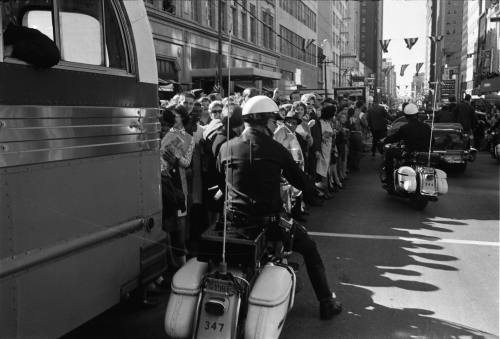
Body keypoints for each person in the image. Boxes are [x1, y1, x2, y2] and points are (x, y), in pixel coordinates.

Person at [217, 95, 342, 320]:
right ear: (263, 120)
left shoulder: (227, 147)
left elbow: (220, 183)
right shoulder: (275, 149)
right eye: (274, 120)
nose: (276, 124)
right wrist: (315, 193)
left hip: (233, 222)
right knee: (309, 247)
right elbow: (300, 181)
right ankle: (326, 302)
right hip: (269, 222)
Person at [382, 103, 431, 184]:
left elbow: (394, 138)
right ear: (417, 115)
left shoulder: (405, 128)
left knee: (389, 152)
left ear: (406, 116)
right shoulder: (427, 127)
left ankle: (389, 179)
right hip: (425, 154)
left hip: (410, 154)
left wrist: (384, 140)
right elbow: (432, 141)